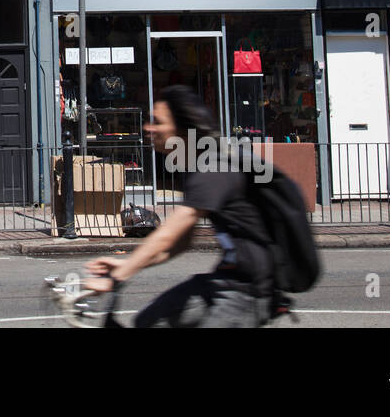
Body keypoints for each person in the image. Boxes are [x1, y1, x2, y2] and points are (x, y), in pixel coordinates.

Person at [84, 84, 273, 327]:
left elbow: (167, 235)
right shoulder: (196, 165)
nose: (148, 127)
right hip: (227, 279)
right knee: (149, 319)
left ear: (182, 130)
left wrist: (117, 277)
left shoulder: (213, 167)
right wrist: (126, 264)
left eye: (158, 122)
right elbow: (181, 242)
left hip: (249, 291)